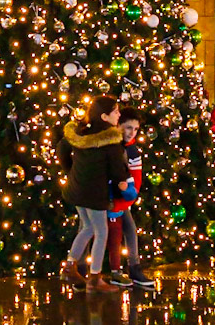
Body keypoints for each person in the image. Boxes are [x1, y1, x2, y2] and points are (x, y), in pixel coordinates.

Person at [56, 92, 132, 292]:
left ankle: (70, 266)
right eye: (115, 112)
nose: (118, 115)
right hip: (94, 193)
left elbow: (62, 147)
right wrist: (124, 183)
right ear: (105, 117)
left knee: (87, 228)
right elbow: (117, 170)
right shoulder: (110, 140)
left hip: (76, 189)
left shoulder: (80, 133)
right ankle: (95, 277)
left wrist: (70, 170)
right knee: (101, 232)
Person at [104, 108, 156, 291]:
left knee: (129, 231)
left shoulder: (132, 151)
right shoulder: (112, 147)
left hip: (122, 201)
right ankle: (99, 270)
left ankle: (133, 268)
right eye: (127, 128)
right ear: (118, 125)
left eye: (135, 129)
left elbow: (136, 179)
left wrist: (126, 200)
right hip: (109, 200)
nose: (131, 133)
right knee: (102, 233)